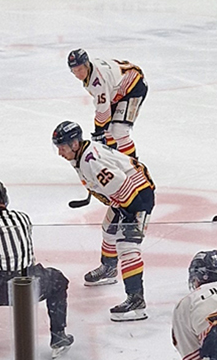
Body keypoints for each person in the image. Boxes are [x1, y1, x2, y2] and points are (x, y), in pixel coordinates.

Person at [0, 180, 73, 360]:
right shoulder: (22, 218)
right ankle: (59, 336)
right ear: (5, 198)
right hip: (30, 285)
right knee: (58, 280)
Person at [52, 120, 155, 322]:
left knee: (127, 245)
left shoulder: (92, 161)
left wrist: (129, 215)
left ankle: (136, 299)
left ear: (74, 144)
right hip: (125, 197)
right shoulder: (82, 155)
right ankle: (109, 268)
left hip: (138, 197)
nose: (60, 152)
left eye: (62, 147)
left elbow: (122, 184)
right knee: (109, 230)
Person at [67, 49, 147, 158]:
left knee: (119, 131)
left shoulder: (98, 80)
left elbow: (103, 110)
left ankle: (133, 165)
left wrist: (98, 131)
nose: (78, 74)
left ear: (87, 64)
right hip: (117, 88)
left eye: (80, 69)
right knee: (108, 131)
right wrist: (100, 132)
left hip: (134, 86)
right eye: (74, 71)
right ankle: (115, 159)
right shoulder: (91, 72)